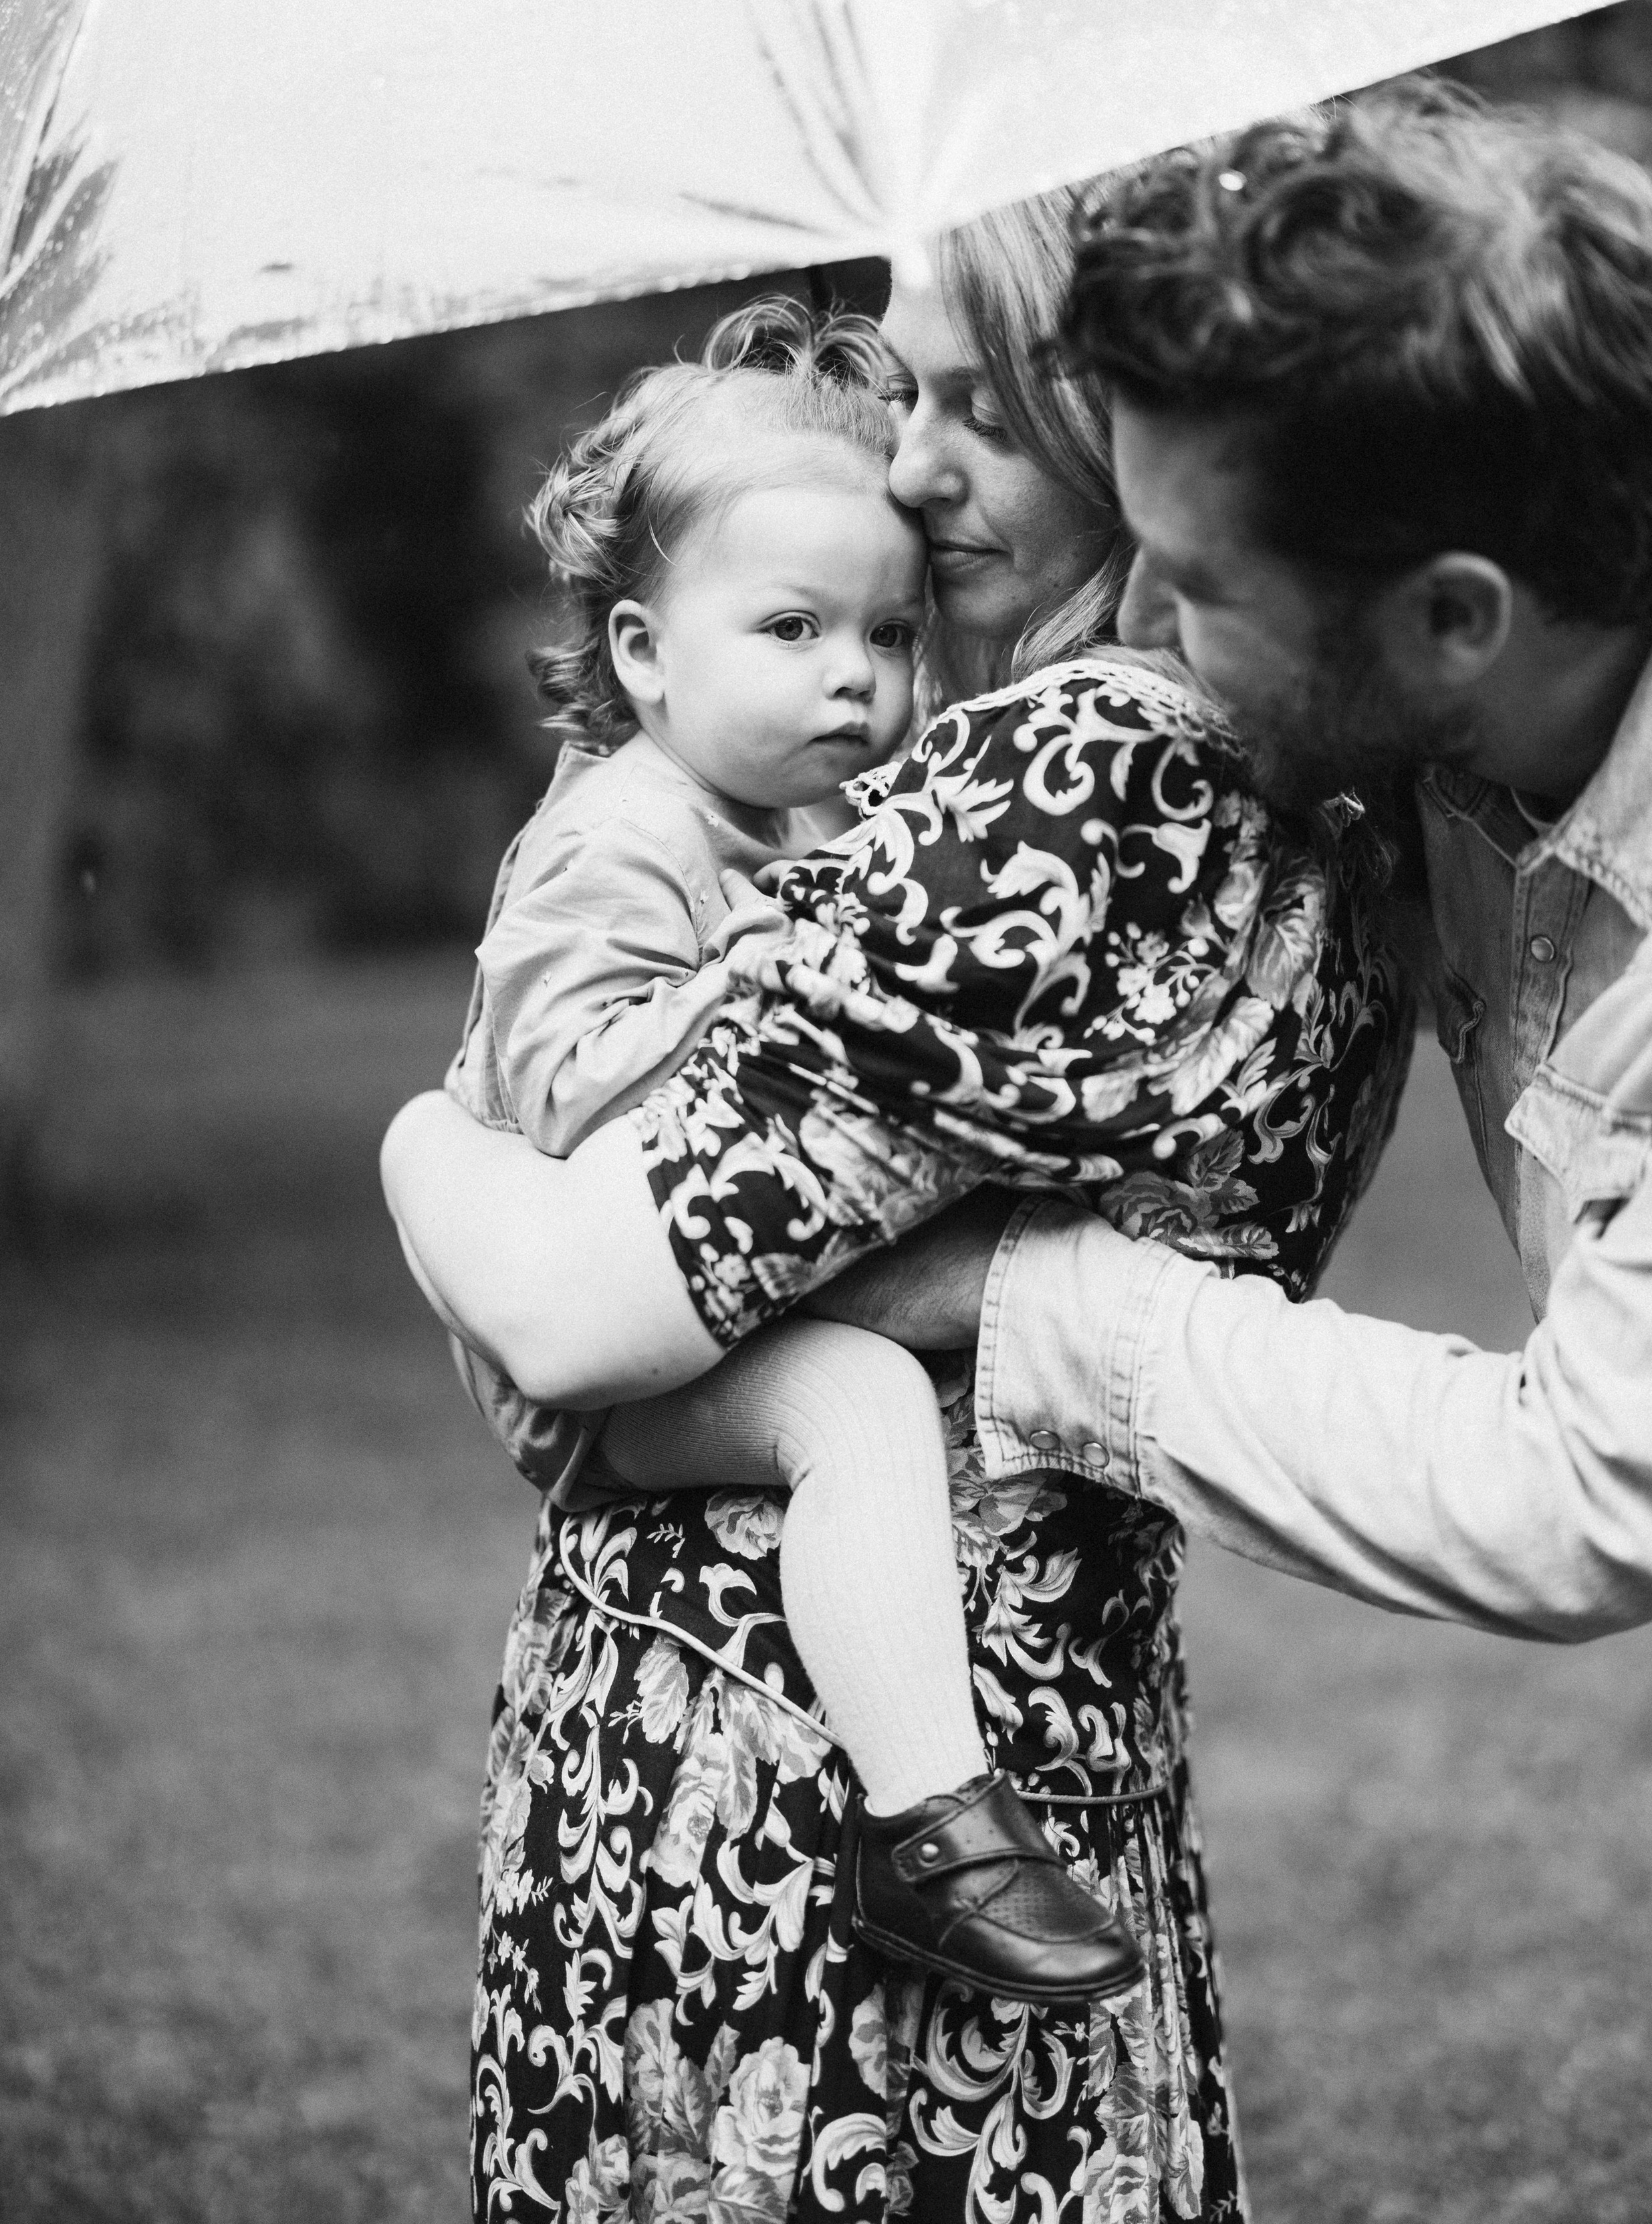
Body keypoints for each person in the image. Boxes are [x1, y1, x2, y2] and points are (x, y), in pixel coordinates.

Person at [381, 193, 1411, 2224]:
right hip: (1022, 1711)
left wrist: (422, 1153)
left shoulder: (1090, 773)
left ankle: (933, 1821)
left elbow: (592, 1294)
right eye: (907, 392)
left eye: (982, 412)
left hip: (775, 1785)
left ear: (1143, 441)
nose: (918, 470)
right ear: (640, 653)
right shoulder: (1318, 773)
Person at [855, 80, 1652, 2064]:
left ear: (1450, 619)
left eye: (1201, 588)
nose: (1145, 622)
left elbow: (1582, 1491)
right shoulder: (1477, 713)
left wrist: (1024, 1293)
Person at [435, 296, 1139, 2002]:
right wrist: (751, 975)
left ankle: (940, 1815)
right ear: (640, 654)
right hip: (593, 1361)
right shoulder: (614, 838)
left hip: (694, 1299)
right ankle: (933, 1827)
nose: (855, 674)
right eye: (792, 626)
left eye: (890, 635)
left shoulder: (800, 809)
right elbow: (570, 1103)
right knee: (859, 1407)